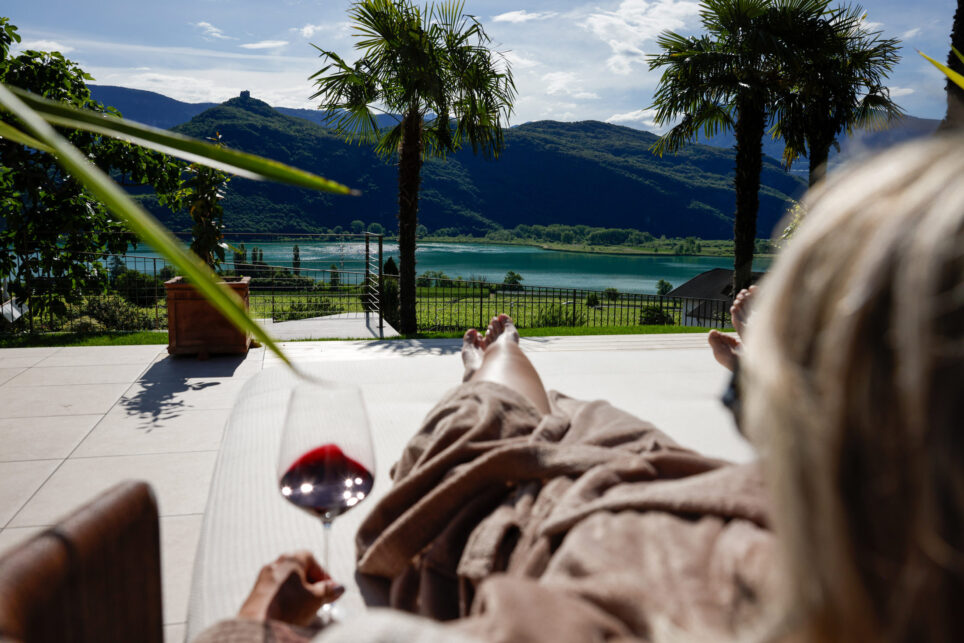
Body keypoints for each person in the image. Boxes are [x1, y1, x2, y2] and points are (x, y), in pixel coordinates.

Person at [198, 134, 964, 642]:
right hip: (665, 482)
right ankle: (515, 369)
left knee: (494, 417)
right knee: (581, 421)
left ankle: (493, 365)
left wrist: (257, 619)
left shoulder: (594, 625)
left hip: (525, 509)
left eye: (752, 406)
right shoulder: (884, 560)